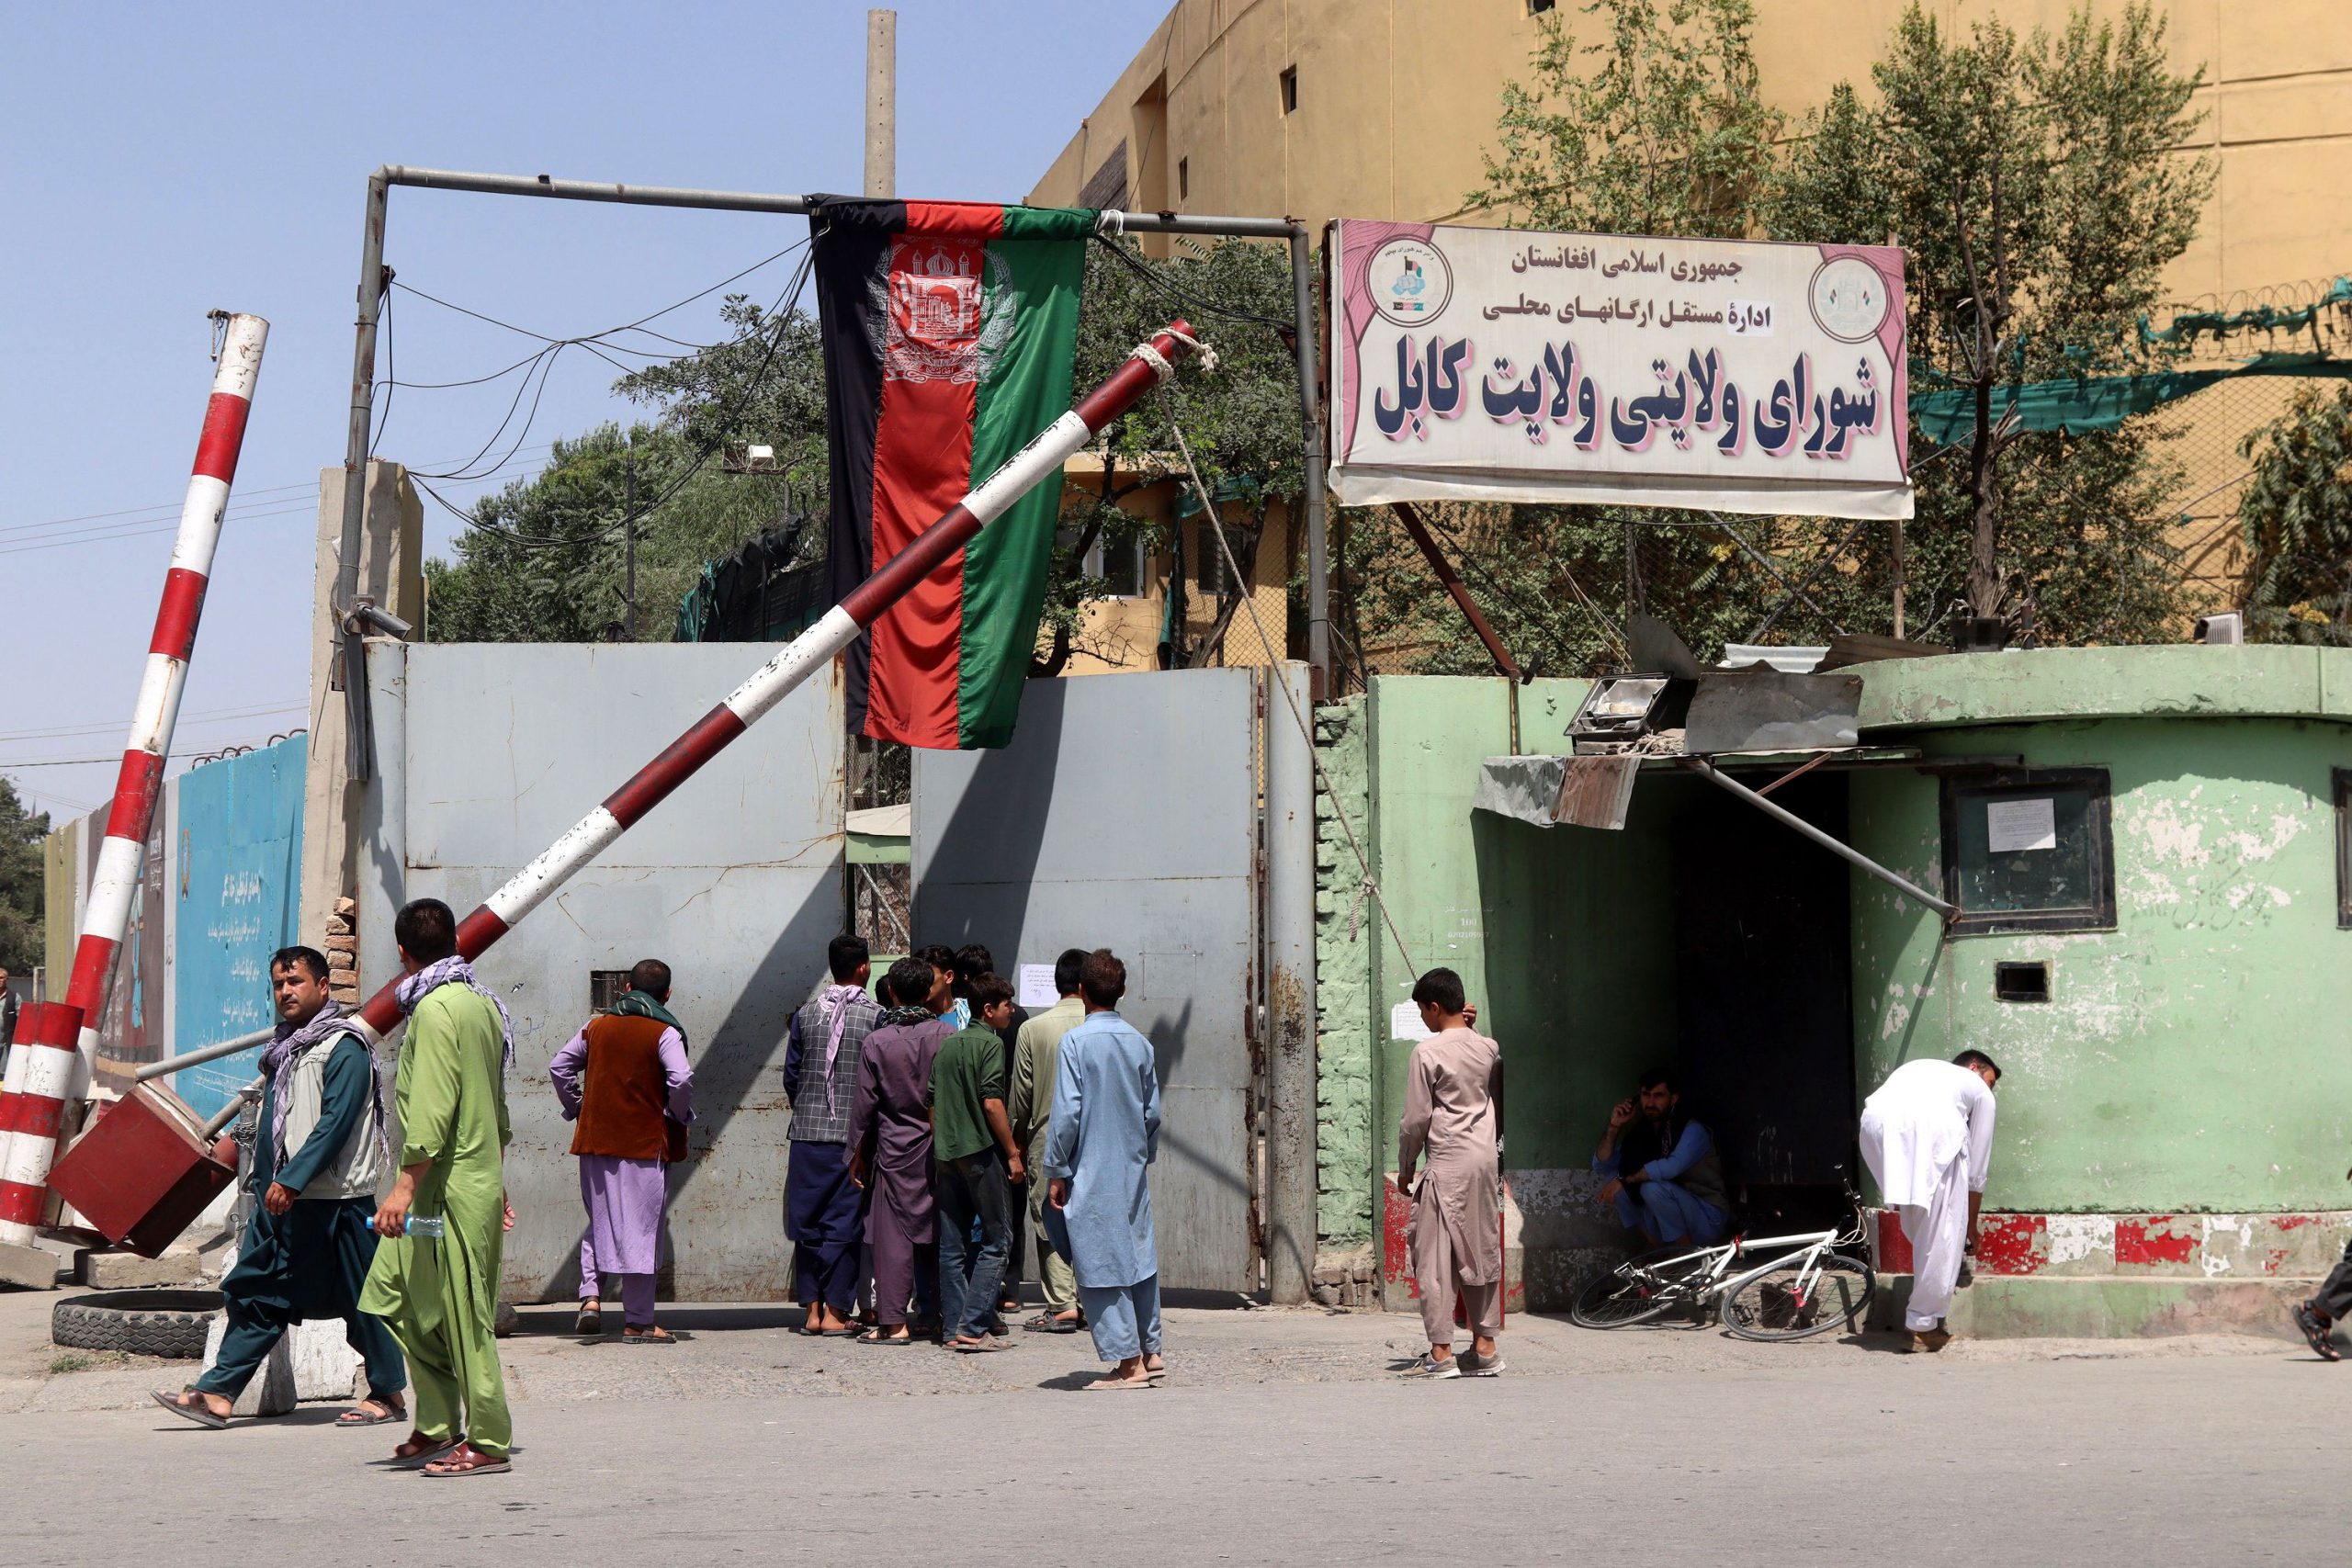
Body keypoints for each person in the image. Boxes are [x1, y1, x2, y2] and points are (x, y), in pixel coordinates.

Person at [153, 946, 407, 1430]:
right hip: (289, 1203)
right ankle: (217, 1393)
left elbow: (334, 1124)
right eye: (278, 984)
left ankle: (389, 1393)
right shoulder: (288, 1048)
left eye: (296, 982)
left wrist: (291, 1178)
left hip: (338, 1204)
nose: (286, 992)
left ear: (324, 987)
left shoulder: (344, 1047)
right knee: (260, 1292)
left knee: (363, 1301)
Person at [357, 898, 516, 1477]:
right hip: (449, 1195)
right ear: (456, 941)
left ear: (402, 953)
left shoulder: (434, 1010)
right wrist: (498, 1182)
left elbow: (431, 1112)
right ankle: (437, 1423)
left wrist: (400, 1191)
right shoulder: (484, 1005)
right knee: (395, 1289)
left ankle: (490, 1440)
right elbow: (497, 1107)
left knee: (465, 1310)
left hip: (444, 1195)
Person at [550, 958, 693, 1346]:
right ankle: (639, 1321)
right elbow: (680, 1078)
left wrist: (579, 1107)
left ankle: (591, 1299)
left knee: (601, 1219)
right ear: (667, 994)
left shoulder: (596, 1027)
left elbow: (559, 1065)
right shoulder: (665, 1032)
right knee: (642, 1229)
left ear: (627, 988)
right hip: (643, 1146)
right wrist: (676, 1113)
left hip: (595, 1142)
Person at [1044, 950, 1165, 1390]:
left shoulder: (1076, 1043)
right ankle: (1152, 1350)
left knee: (1098, 1261)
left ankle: (1127, 1364)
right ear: (1122, 992)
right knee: (1137, 1254)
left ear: (1080, 991)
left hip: (1088, 1168)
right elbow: (1152, 1114)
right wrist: (1140, 1155)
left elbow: (1067, 1114)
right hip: (1130, 1166)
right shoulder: (1140, 1043)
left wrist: (1056, 1169)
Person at [1394, 967, 1505, 1381]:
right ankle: (1486, 1346)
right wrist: (1467, 1028)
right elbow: (1472, 1046)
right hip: (1484, 1162)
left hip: (1447, 1162)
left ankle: (1441, 1353)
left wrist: (1407, 1167)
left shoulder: (1427, 1053)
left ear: (1435, 1007)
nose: (1423, 1019)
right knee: (1480, 1248)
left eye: (1424, 1011)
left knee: (1435, 1257)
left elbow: (1416, 1120)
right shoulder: (1488, 1047)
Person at [1859, 1051, 1999, 1353]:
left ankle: (1924, 1308)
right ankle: (1923, 1326)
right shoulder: (1978, 1090)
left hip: (1875, 1125)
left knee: (1921, 1215)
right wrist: (1970, 1225)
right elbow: (1977, 1172)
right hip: (1932, 1128)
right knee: (1945, 1232)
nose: (1990, 1089)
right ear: (1975, 1068)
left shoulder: (1919, 1067)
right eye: (1990, 1081)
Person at [847, 958, 953, 1345]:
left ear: (891, 992)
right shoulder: (945, 1036)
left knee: (893, 1239)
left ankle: (894, 1322)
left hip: (892, 1149)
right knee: (941, 1234)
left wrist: (856, 1154)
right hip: (937, 1149)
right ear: (929, 992)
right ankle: (940, 1314)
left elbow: (864, 1106)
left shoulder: (877, 1042)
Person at [784, 934, 880, 1336]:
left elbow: (792, 1075)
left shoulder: (806, 1014)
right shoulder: (876, 1016)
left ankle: (811, 1310)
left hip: (807, 1134)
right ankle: (836, 1313)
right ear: (863, 968)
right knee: (844, 1223)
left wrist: (809, 1107)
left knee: (807, 1223)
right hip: (852, 1138)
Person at [931, 971, 1023, 1351]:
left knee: (952, 1246)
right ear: (989, 1009)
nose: (1012, 1011)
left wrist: (943, 1140)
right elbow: (992, 1102)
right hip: (980, 1155)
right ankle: (973, 1325)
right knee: (998, 1239)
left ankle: (954, 1328)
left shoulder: (948, 1044)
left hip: (946, 1155)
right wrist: (1013, 1153)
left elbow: (932, 1103)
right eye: (1007, 1005)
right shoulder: (991, 1044)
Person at [1010, 948, 1087, 1333]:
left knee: (1048, 1218)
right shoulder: (1103, 1024)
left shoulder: (1032, 1029)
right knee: (1091, 1217)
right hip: (1095, 1138)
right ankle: (1093, 1300)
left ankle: (1061, 1303)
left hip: (1045, 1134)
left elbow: (1020, 1097)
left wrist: (1016, 1143)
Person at [956, 942, 1029, 1316]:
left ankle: (962, 1305)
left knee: (965, 1226)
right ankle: (1000, 1297)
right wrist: (1015, 1147)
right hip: (1002, 1133)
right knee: (1005, 1221)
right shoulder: (1013, 1027)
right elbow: (1003, 1096)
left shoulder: (953, 1036)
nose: (1011, 1010)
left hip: (964, 1141)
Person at [1591, 1068, 1731, 1249]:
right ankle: (1657, 1249)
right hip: (1669, 1220)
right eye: (1645, 1095)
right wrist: (1614, 1126)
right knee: (1614, 1181)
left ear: (1673, 1099)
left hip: (1706, 1217)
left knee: (1651, 1188)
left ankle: (1684, 1256)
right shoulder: (1643, 1133)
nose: (1650, 1103)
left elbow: (1671, 1168)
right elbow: (1601, 1164)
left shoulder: (1693, 1130)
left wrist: (1625, 1180)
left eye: (1658, 1096)